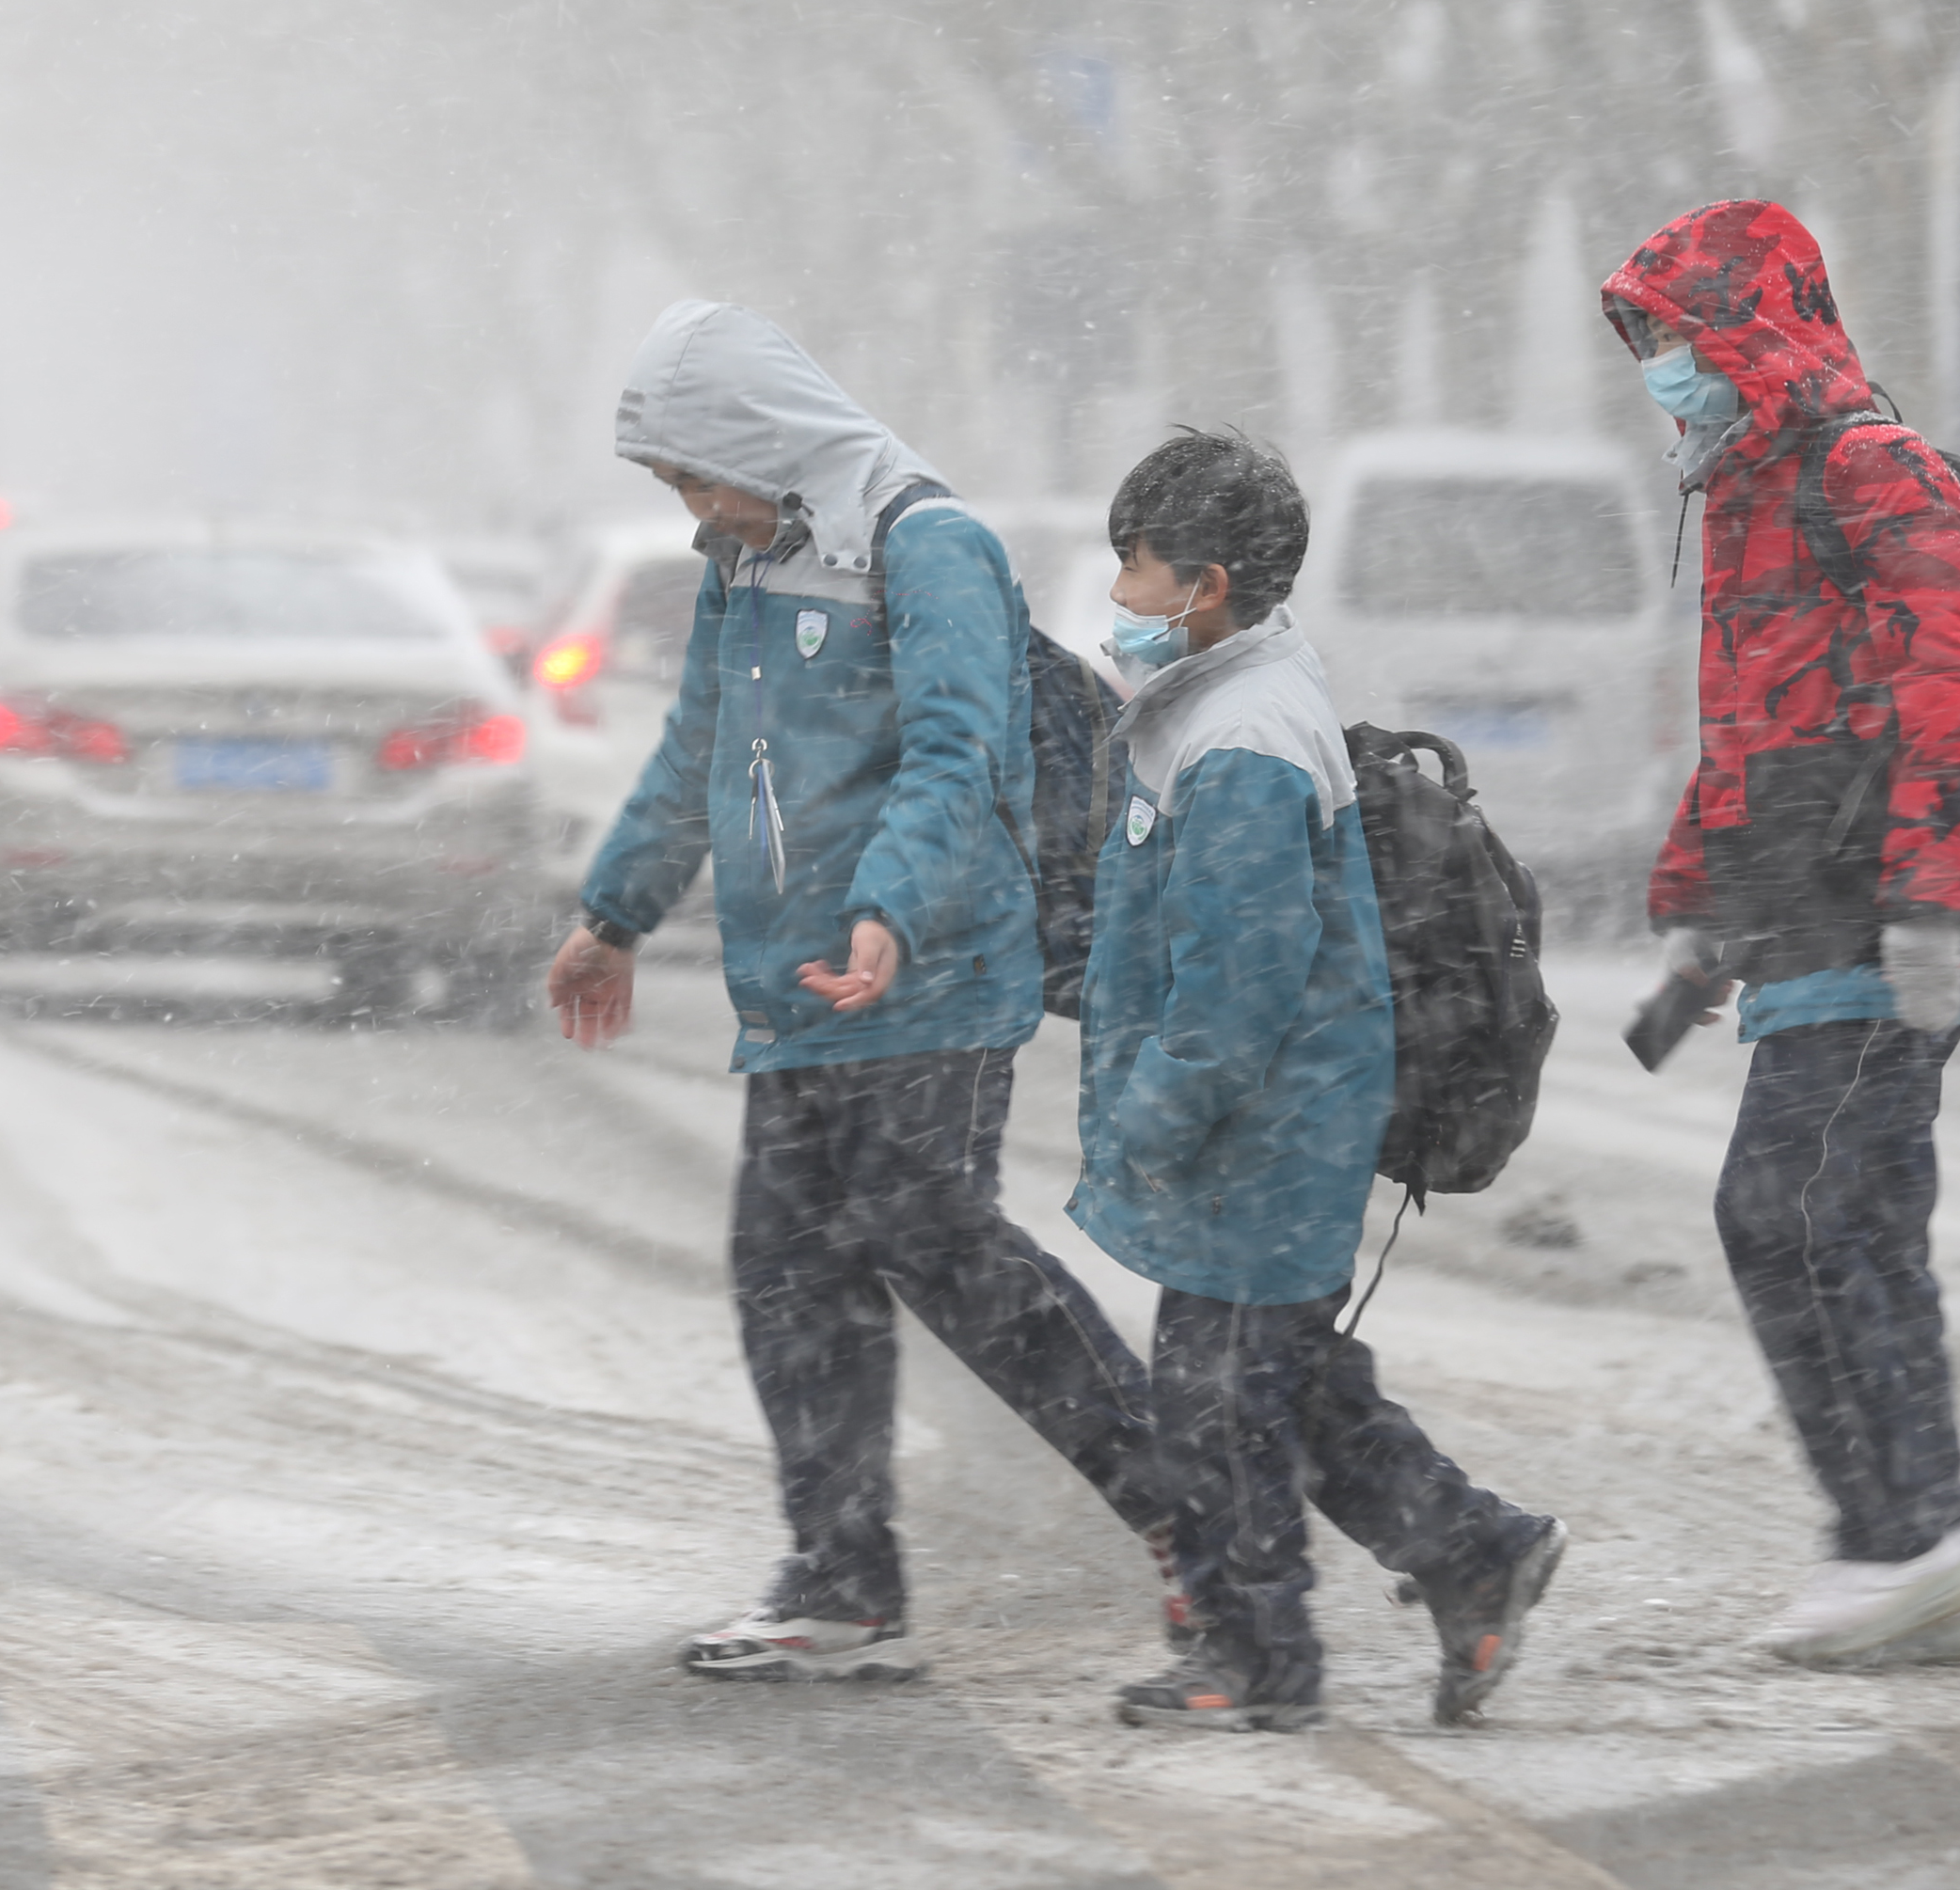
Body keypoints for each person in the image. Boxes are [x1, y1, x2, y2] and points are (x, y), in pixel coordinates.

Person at [546, 301, 1175, 1682]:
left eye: (696, 475)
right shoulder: (745, 562)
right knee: (789, 1268)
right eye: (673, 486)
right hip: (801, 987)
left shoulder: (927, 545)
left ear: (758, 440)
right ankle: (841, 1585)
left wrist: (889, 907)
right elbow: (698, 749)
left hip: (935, 969)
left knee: (938, 1242)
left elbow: (957, 754)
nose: (694, 507)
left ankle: (1191, 1512)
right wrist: (614, 913)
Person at [1070, 431, 1564, 1733]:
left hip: (1266, 1127)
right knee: (1280, 1379)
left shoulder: (1244, 737)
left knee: (1217, 1399)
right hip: (1279, 1120)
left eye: (1137, 564)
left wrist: (1156, 1109)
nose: (1119, 591)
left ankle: (1254, 1656)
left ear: (1208, 585)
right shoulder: (1228, 699)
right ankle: (1474, 1552)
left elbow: (1239, 977)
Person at [1602, 201, 1960, 1667]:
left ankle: (1908, 1538)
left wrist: (1930, 898)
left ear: (1750, 330)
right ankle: (1903, 1537)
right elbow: (1750, 731)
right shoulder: (1746, 492)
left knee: (1809, 1208)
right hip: (1808, 905)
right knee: (1822, 1214)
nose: (1659, 365)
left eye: (1674, 333)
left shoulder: (1867, 467)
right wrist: (1699, 909)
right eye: (1646, 341)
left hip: (1886, 904)